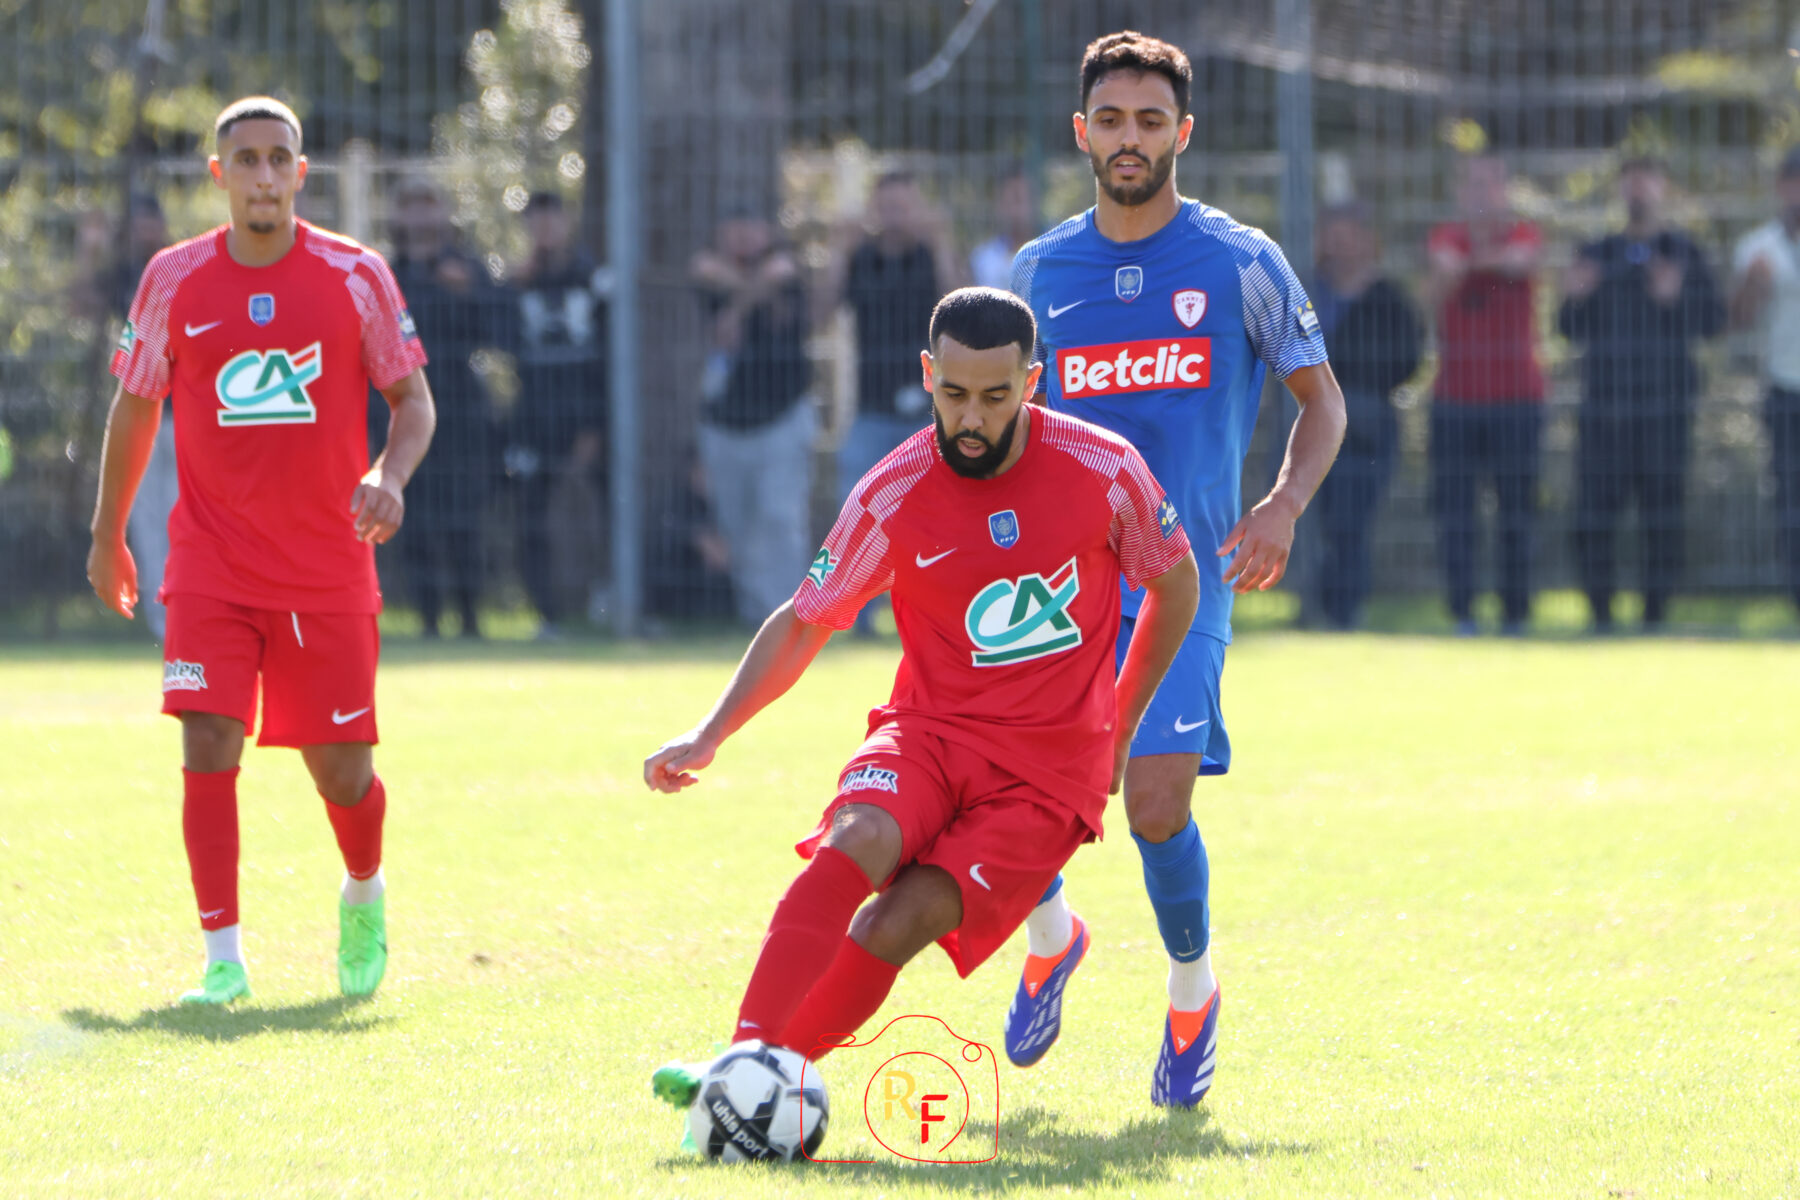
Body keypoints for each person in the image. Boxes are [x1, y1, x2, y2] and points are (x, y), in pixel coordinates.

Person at [645, 288, 1199, 1142]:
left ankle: (765, 1078)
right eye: (954, 395)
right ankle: (746, 1060)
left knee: (896, 920)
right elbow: (806, 619)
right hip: (929, 733)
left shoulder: (1104, 468)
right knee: (854, 841)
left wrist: (1121, 727)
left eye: (995, 396)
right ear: (928, 375)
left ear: (1033, 383)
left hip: (1049, 771)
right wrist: (711, 732)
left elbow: (1173, 581)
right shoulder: (895, 488)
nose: (970, 419)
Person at [1009, 32, 1345, 1108]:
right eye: (1110, 120)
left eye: (1150, 121)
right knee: (1016, 788)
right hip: (1056, 586)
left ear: (1182, 135)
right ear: (1083, 132)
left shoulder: (1240, 261)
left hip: (1181, 582)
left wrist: (1283, 505)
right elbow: (999, 429)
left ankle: (1192, 996)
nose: (1129, 139)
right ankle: (1052, 937)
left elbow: (1322, 401)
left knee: (1153, 804)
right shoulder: (1037, 272)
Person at [85, 97, 435, 1005]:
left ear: (301, 174)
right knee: (208, 738)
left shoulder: (356, 275)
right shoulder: (174, 279)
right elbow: (135, 403)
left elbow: (414, 403)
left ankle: (364, 891)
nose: (264, 175)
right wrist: (107, 532)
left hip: (327, 563)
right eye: (246, 160)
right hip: (210, 561)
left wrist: (389, 478)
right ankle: (223, 961)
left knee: (342, 769)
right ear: (220, 176)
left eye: (280, 158)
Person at [1559, 156, 1724, 632]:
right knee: (1594, 515)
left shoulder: (1684, 250)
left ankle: (1656, 616)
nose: (1638, 191)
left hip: (1665, 410)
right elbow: (1566, 328)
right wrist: (1574, 296)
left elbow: (1713, 322)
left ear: (1663, 189)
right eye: (1630, 182)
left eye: (1647, 181)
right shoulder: (1597, 252)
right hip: (1604, 410)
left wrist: (1678, 298)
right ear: (1620, 191)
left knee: (1662, 515)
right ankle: (1600, 616)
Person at [384, 175, 515, 638]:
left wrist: (471, 293)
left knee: (465, 521)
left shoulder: (468, 269)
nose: (421, 215)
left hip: (461, 415)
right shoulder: (385, 273)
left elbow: (503, 332)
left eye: (429, 204)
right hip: (397, 411)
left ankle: (471, 619)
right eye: (411, 206)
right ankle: (427, 620)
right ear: (398, 216)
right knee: (412, 520)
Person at [1424, 153, 1547, 636]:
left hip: (1518, 397)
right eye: (1473, 185)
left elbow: (1521, 264)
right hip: (1455, 398)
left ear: (1506, 190)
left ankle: (1516, 614)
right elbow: (1439, 282)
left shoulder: (1525, 234)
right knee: (1457, 513)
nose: (1482, 194)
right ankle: (1464, 614)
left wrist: (1468, 265)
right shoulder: (1443, 236)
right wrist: (1472, 267)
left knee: (1517, 509)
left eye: (1490, 185)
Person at [690, 210, 817, 627]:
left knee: (780, 521)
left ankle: (789, 619)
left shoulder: (788, 268)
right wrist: (754, 292)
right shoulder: (708, 272)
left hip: (782, 417)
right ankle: (753, 621)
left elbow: (788, 288)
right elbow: (707, 279)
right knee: (736, 525)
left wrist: (737, 303)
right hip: (725, 425)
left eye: (751, 225)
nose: (743, 234)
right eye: (734, 226)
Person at [1311, 202, 1424, 629]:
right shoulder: (1307, 292)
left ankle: (1343, 611)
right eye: (1331, 234)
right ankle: (1312, 606)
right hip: (1307, 421)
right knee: (1313, 519)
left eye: (1349, 235)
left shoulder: (1389, 299)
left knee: (1350, 522)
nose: (1340, 245)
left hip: (1367, 427)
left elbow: (1409, 359)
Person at [74, 197, 178, 640]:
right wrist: (89, 250)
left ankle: (190, 611)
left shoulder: (178, 266)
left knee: (183, 520)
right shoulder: (121, 272)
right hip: (139, 417)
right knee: (148, 524)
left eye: (151, 222)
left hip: (185, 419)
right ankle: (163, 621)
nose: (146, 231)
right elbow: (81, 306)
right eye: (138, 223)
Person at [508, 190, 610, 637]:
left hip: (586, 411)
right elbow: (497, 341)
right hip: (534, 416)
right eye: (537, 221)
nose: (545, 229)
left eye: (553, 219)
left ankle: (612, 596)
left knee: (608, 502)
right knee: (530, 512)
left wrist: (596, 424)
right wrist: (507, 290)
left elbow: (611, 354)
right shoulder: (516, 281)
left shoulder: (594, 278)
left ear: (567, 223)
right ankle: (546, 613)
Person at [1729, 146, 1800, 618]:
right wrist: (1753, 287)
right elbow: (1737, 321)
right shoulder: (1758, 248)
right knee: (1792, 507)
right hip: (1785, 389)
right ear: (1781, 186)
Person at [969, 169, 1040, 290]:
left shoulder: (1051, 255)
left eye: (1019, 199)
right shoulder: (982, 259)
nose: (1016, 209)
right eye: (1009, 201)